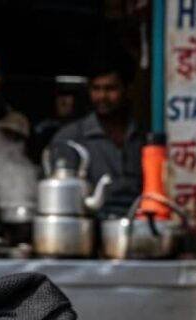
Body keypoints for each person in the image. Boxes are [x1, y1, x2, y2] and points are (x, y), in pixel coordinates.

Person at [50, 51, 142, 217]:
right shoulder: (70, 138)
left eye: (110, 89)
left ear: (128, 90)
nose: (102, 96)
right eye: (96, 89)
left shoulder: (143, 137)